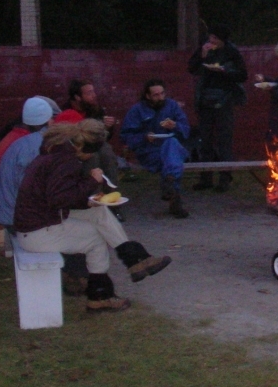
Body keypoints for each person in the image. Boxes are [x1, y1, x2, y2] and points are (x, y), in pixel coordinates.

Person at [13, 119, 172, 312]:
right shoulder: (66, 161)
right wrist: (91, 181)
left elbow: (58, 195)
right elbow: (59, 198)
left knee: (98, 211)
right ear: (88, 148)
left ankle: (136, 261)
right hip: (37, 232)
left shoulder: (57, 153)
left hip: (38, 221)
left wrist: (88, 201)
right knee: (95, 240)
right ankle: (99, 297)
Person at [188, 24, 247, 192]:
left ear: (223, 40)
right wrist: (202, 56)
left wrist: (224, 71)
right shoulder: (204, 49)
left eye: (215, 38)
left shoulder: (232, 52)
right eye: (210, 37)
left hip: (224, 99)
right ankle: (205, 177)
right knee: (204, 139)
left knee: (224, 140)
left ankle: (224, 179)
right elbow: (191, 68)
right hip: (205, 98)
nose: (211, 41)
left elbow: (243, 75)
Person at [120, 79, 192, 218]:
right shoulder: (137, 110)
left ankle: (170, 183)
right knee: (173, 159)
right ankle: (172, 191)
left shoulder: (172, 106)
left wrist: (175, 126)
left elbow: (186, 131)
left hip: (173, 149)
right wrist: (144, 137)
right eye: (156, 95)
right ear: (147, 96)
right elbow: (126, 136)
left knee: (171, 143)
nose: (160, 97)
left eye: (162, 93)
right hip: (150, 153)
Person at [55, 79, 122, 212]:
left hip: (95, 147)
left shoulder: (95, 109)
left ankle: (113, 201)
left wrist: (108, 128)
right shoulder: (67, 113)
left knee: (107, 153)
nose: (94, 95)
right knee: (93, 157)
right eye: (89, 93)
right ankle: (94, 202)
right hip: (75, 150)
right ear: (77, 97)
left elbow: (105, 138)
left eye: (93, 91)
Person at [0, 95, 61, 213]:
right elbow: (34, 189)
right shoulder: (32, 145)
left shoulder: (15, 136)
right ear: (47, 121)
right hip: (14, 213)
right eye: (52, 118)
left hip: (3, 204)